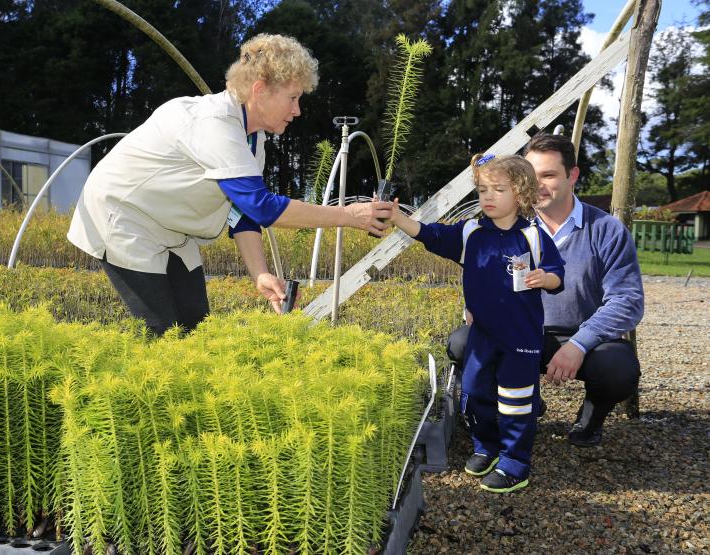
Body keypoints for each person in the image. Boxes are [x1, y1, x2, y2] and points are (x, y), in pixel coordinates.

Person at [67, 34, 394, 335]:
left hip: (171, 228)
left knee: (196, 325)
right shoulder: (214, 124)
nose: (297, 110)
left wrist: (260, 275)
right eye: (293, 98)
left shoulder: (254, 141)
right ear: (260, 89)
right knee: (163, 334)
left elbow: (244, 215)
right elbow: (263, 207)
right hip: (125, 221)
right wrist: (350, 216)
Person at [392, 154, 564, 493]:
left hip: (521, 338)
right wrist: (399, 218)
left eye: (498, 189)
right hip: (483, 334)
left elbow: (558, 276)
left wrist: (545, 278)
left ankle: (515, 463)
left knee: (516, 400)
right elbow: (431, 235)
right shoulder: (471, 233)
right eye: (483, 189)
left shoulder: (533, 236)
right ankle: (487, 446)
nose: (488, 196)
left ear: (521, 194)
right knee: (473, 393)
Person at [524, 133, 644, 446]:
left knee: (618, 368)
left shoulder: (605, 230)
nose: (538, 186)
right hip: (526, 334)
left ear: (572, 175)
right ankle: (524, 405)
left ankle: (591, 418)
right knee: (465, 343)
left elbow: (627, 301)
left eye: (548, 175)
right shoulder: (511, 227)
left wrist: (579, 343)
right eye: (530, 176)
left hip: (586, 337)